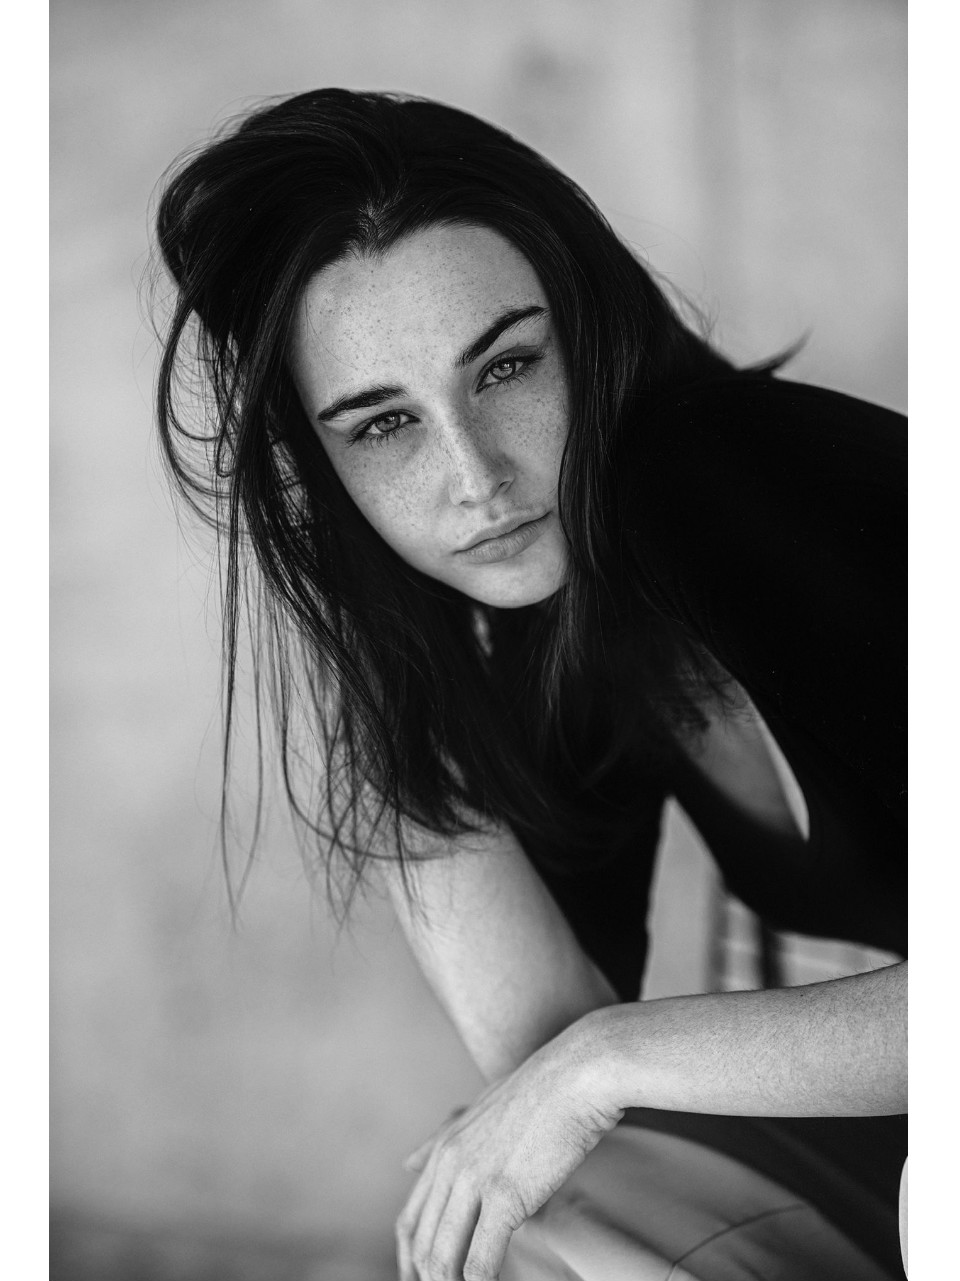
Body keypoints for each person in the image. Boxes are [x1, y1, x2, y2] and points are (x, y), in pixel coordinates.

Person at [153, 89, 906, 1280]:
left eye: (505, 367)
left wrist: (602, 1062)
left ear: (589, 331)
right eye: (382, 426)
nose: (475, 476)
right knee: (522, 1208)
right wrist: (372, 633)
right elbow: (536, 1049)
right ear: (320, 470)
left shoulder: (723, 470)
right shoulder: (569, 633)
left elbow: (581, 1070)